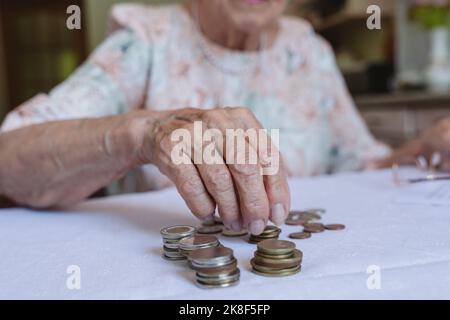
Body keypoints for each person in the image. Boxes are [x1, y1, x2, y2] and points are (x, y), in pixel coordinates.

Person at [0, 0, 394, 235]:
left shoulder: (311, 49)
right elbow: (9, 160)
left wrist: (417, 154)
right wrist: (141, 133)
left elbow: (362, 159)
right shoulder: (147, 40)